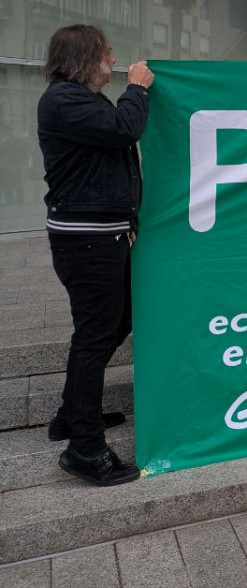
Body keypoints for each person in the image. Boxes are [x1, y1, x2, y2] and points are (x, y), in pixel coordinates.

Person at [38, 25, 153, 487]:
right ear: (87, 57)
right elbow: (126, 129)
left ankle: (72, 414)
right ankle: (85, 449)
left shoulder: (76, 100)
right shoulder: (66, 100)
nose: (114, 60)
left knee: (116, 320)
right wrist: (138, 89)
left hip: (100, 236)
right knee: (93, 337)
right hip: (87, 241)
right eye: (107, 53)